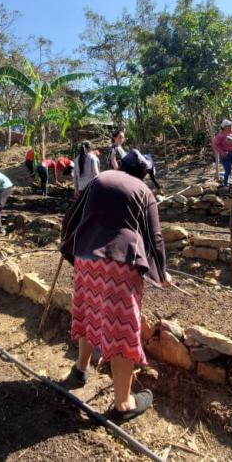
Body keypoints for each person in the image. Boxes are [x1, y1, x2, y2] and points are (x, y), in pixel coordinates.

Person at [60, 149, 171, 422]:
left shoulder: (100, 179)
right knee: (121, 328)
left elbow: (70, 216)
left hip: (86, 258)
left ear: (121, 165)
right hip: (119, 264)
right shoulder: (145, 192)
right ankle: (123, 403)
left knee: (89, 311)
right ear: (145, 173)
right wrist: (162, 273)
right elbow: (154, 238)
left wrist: (68, 246)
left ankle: (79, 370)